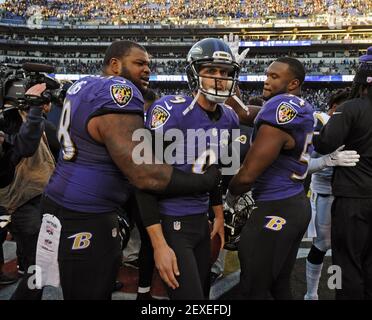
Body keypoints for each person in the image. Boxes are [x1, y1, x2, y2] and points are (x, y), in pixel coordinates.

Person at [17, 40, 219, 300]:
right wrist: (205, 181)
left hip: (57, 200)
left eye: (148, 64)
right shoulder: (119, 90)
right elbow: (145, 174)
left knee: (36, 279)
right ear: (115, 64)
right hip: (88, 213)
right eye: (139, 63)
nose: (147, 69)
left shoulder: (83, 84)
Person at [139, 38, 241, 300]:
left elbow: (214, 170)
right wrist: (158, 243)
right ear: (195, 74)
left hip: (201, 221)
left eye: (224, 72)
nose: (219, 79)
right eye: (211, 71)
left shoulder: (229, 117)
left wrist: (218, 213)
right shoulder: (171, 111)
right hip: (172, 220)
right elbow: (145, 178)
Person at [226, 57, 315, 299]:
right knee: (278, 286)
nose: (266, 81)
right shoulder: (294, 106)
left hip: (277, 206)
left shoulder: (282, 109)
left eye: (274, 77)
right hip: (293, 202)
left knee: (253, 287)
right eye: (267, 75)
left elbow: (247, 174)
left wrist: (228, 198)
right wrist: (225, 81)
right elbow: (242, 112)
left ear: (293, 83)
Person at [313, 47, 372, 300]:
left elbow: (324, 144)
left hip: (353, 200)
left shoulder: (350, 108)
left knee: (345, 263)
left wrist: (324, 126)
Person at [304, 88, 354, 300]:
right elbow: (302, 165)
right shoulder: (321, 123)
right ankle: (311, 294)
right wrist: (327, 161)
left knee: (349, 249)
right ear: (334, 108)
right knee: (322, 245)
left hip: (350, 198)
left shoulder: (353, 125)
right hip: (325, 195)